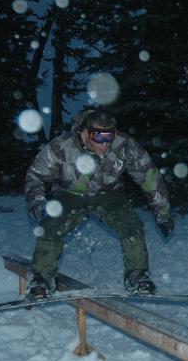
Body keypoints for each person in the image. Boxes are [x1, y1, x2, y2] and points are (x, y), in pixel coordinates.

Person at [23, 109, 174, 299]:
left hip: (109, 194)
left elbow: (149, 176)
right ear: (85, 133)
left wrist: (162, 212)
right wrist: (36, 200)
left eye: (110, 136)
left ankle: (137, 274)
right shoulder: (61, 147)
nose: (105, 143)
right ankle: (42, 278)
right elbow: (35, 175)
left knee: (130, 225)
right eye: (99, 137)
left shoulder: (124, 145)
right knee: (53, 225)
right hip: (69, 195)